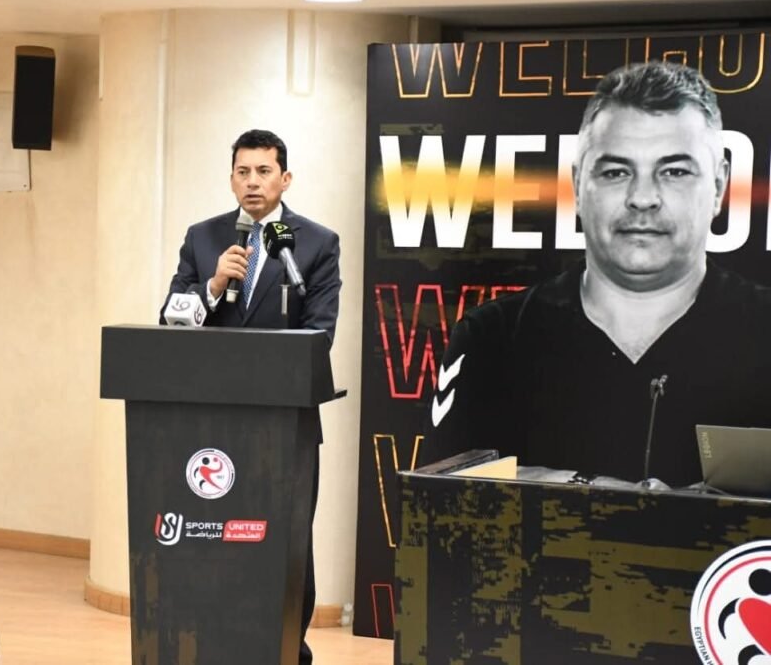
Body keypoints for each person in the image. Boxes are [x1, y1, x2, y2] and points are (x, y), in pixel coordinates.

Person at [425, 61, 771, 487]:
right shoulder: (491, 338)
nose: (642, 198)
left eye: (675, 171)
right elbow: (438, 491)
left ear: (718, 186)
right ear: (576, 184)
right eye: (616, 172)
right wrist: (589, 488)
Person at [161, 129, 341, 664]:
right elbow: (170, 319)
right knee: (213, 538)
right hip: (210, 426)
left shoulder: (316, 243)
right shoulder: (203, 238)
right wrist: (213, 286)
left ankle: (287, 650)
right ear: (231, 178)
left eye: (264, 171)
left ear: (285, 178)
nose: (253, 182)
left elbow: (320, 334)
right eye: (243, 172)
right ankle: (214, 643)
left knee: (286, 541)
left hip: (285, 426)